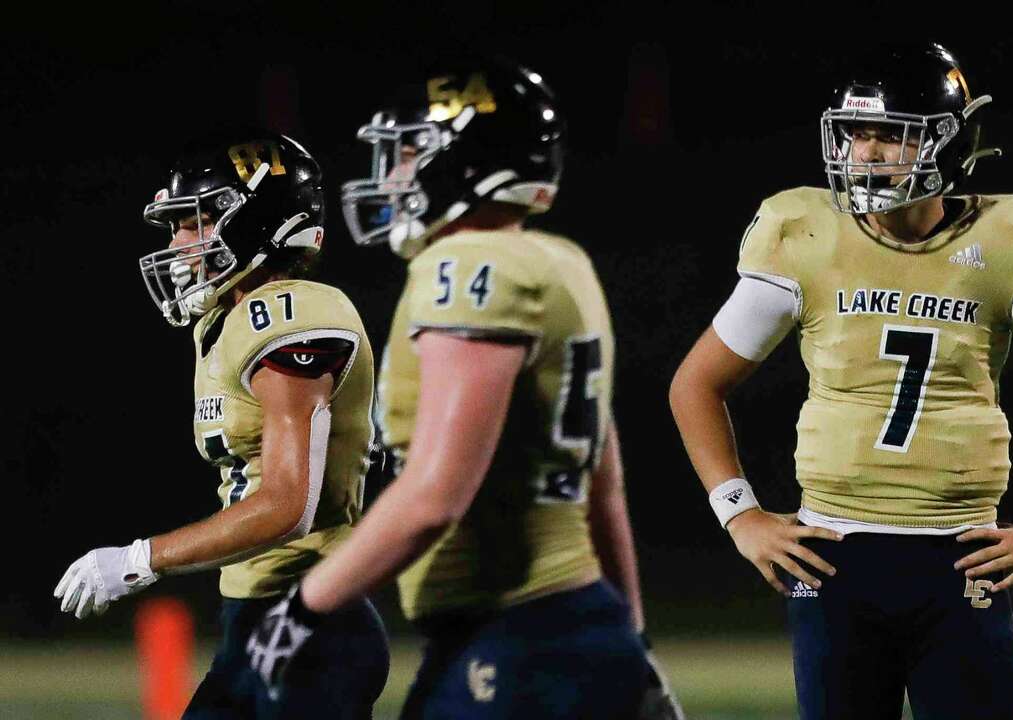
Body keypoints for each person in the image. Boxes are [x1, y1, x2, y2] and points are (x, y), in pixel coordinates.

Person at [669, 43, 1013, 719]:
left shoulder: (1008, 241)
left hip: (963, 557)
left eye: (891, 135)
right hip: (832, 557)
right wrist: (739, 514)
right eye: (856, 134)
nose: (866, 153)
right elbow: (695, 385)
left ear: (947, 142)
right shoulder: (805, 234)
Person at [245, 61, 683, 719]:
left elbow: (433, 496)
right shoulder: (563, 262)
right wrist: (633, 636)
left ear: (466, 161)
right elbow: (604, 483)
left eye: (409, 155)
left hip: (517, 638)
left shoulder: (467, 266)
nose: (391, 177)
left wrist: (304, 607)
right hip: (576, 624)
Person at [53, 128, 389, 717]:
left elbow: (289, 505)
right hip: (257, 619)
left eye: (196, 222)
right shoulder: (225, 325)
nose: (180, 243)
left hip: (312, 625)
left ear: (257, 220)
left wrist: (140, 560)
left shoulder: (288, 311)